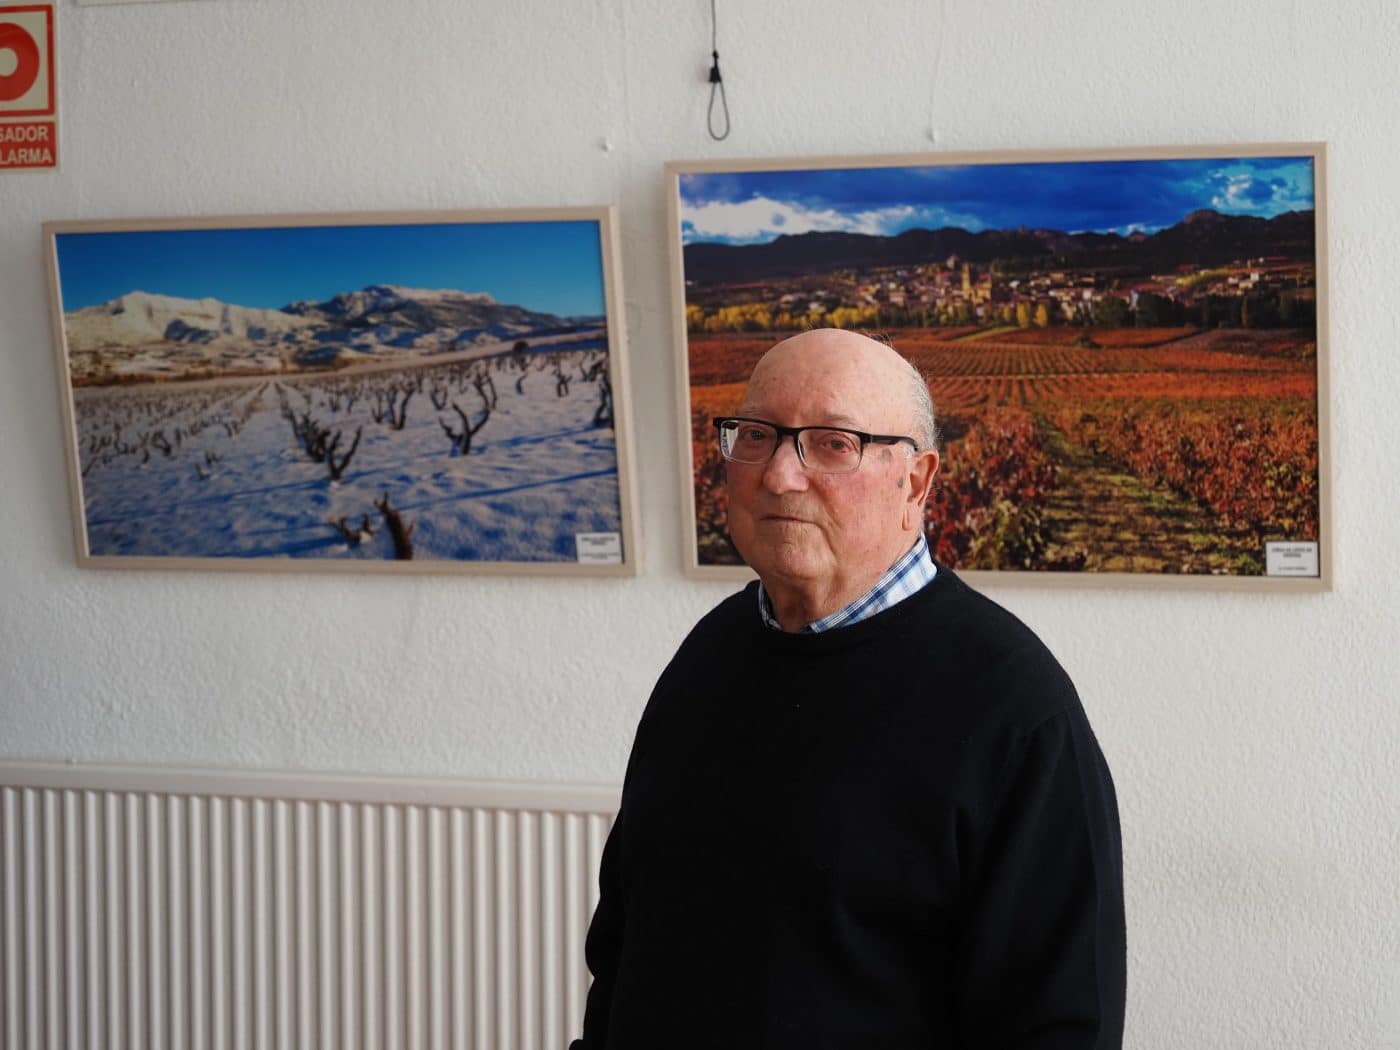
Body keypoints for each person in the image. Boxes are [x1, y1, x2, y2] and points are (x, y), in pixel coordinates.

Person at [572, 328, 1125, 1048]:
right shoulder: (707, 655)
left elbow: (1057, 1026)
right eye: (758, 435)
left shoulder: (1018, 713)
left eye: (832, 443)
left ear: (916, 483)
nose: (777, 476)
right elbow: (624, 946)